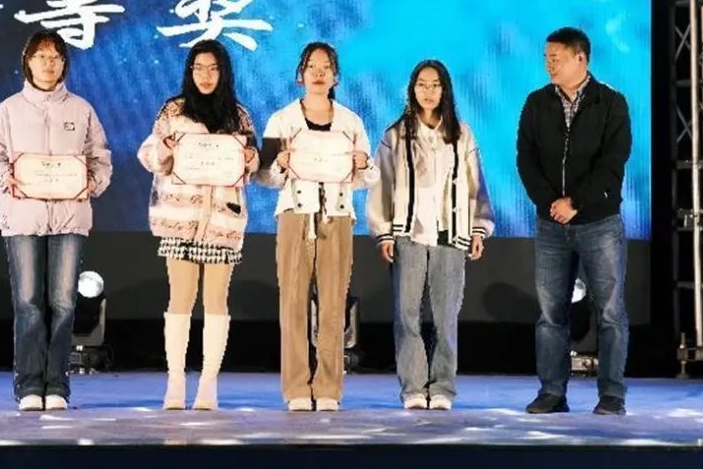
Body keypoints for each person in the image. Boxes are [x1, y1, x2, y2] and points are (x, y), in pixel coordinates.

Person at [0, 30, 113, 411]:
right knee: (29, 303)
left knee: (64, 304)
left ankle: (58, 386)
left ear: (64, 63)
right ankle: (29, 385)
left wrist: (92, 182)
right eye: (41, 57)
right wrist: (7, 179)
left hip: (69, 219)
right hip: (23, 218)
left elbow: (101, 159)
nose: (48, 64)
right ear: (28, 62)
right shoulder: (8, 110)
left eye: (55, 57)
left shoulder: (81, 110)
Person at [138, 40, 259, 411]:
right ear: (190, 71)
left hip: (222, 219)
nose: (206, 76)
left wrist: (251, 158)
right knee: (180, 297)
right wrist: (166, 147)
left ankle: (208, 384)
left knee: (216, 300)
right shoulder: (173, 111)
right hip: (181, 219)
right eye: (199, 68)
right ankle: (175, 382)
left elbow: (251, 166)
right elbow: (149, 156)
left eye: (213, 68)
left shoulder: (239, 115)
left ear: (224, 73)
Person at [258, 41, 379, 412]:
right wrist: (279, 163)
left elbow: (370, 176)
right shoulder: (281, 119)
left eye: (326, 67)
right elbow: (263, 175)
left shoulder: (350, 121)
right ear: (301, 74)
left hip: (337, 216)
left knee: (333, 303)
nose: (319, 72)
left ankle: (328, 386)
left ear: (336, 76)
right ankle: (296, 387)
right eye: (312, 66)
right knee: (293, 302)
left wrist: (362, 163)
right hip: (295, 214)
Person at [517, 27, 632, 416]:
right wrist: (552, 203)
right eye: (546, 58)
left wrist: (576, 203)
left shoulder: (611, 103)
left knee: (610, 312)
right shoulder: (536, 103)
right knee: (551, 314)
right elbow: (525, 159)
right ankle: (552, 392)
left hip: (599, 222)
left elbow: (613, 163)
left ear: (580, 58)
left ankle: (612, 395)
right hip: (551, 224)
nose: (549, 65)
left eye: (556, 58)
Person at [368, 59, 494, 411]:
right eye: (422, 85)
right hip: (408, 234)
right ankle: (412, 387)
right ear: (412, 89)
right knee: (406, 314)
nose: (428, 91)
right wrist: (383, 231)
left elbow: (476, 184)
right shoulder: (395, 135)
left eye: (435, 85)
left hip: (449, 235)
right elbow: (382, 184)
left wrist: (479, 227)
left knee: (445, 317)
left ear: (445, 90)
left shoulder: (461, 134)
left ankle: (442, 387)